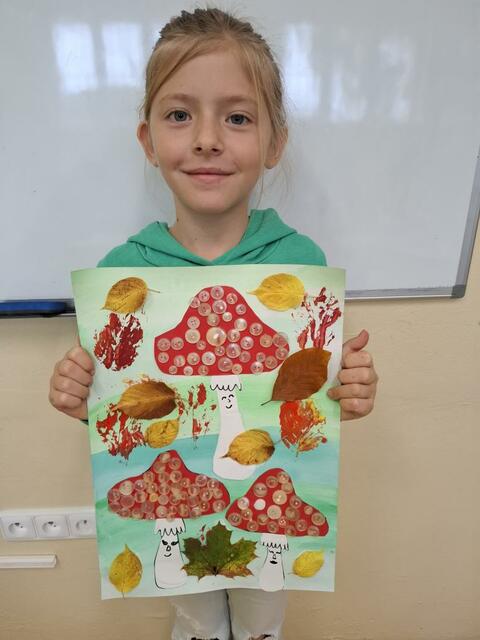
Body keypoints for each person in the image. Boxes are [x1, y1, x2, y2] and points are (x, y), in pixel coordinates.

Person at [49, 7, 378, 640]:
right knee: (195, 616)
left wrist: (350, 388)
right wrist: (79, 395)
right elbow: (119, 408)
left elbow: (312, 402)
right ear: (147, 140)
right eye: (179, 115)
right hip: (176, 502)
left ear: (274, 143)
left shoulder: (300, 265)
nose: (206, 139)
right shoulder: (122, 278)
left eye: (237, 118)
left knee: (261, 614)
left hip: (265, 482)